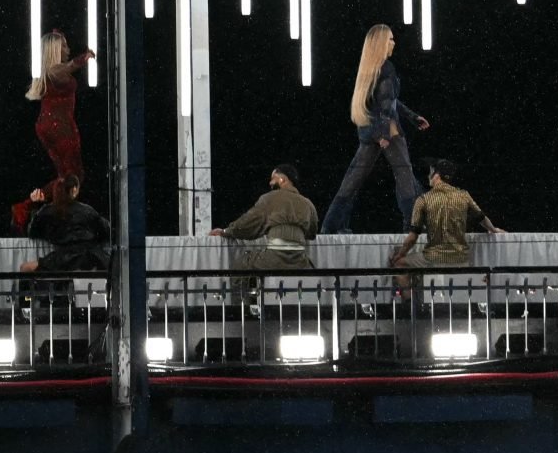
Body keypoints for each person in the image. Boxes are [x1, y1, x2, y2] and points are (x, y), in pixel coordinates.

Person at [320, 24, 430, 234]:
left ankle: (331, 226)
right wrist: (384, 133)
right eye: (390, 39)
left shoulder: (369, 70)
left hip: (369, 131)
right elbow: (387, 104)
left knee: (353, 178)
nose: (394, 43)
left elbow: (386, 101)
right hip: (388, 131)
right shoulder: (386, 68)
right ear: (380, 44)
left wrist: (412, 117)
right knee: (404, 176)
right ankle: (413, 226)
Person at [10, 30, 94, 232]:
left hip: (51, 125)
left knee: (67, 176)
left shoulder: (50, 72)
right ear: (56, 49)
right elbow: (70, 66)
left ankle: (30, 205)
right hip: (59, 127)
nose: (68, 48)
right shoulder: (55, 70)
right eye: (64, 45)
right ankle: (57, 214)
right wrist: (86, 56)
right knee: (74, 176)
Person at [388, 160, 502, 269]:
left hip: (434, 259)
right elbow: (481, 218)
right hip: (461, 258)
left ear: (437, 176)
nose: (428, 176)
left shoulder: (423, 199)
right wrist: (493, 230)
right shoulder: (463, 195)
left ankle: (409, 290)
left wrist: (400, 254)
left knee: (399, 264)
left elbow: (412, 237)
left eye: (431, 173)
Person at [212, 164, 318, 271]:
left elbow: (247, 224)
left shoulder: (269, 199)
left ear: (282, 179)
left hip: (274, 259)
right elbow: (312, 233)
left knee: (240, 267)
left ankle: (253, 288)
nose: (270, 183)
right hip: (300, 261)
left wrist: (226, 231)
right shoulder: (308, 204)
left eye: (273, 179)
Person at [18, 176, 109, 274]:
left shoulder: (47, 212)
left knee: (25, 268)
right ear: (74, 190)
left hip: (65, 258)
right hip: (91, 257)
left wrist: (35, 206)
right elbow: (105, 231)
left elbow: (32, 232)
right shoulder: (87, 211)